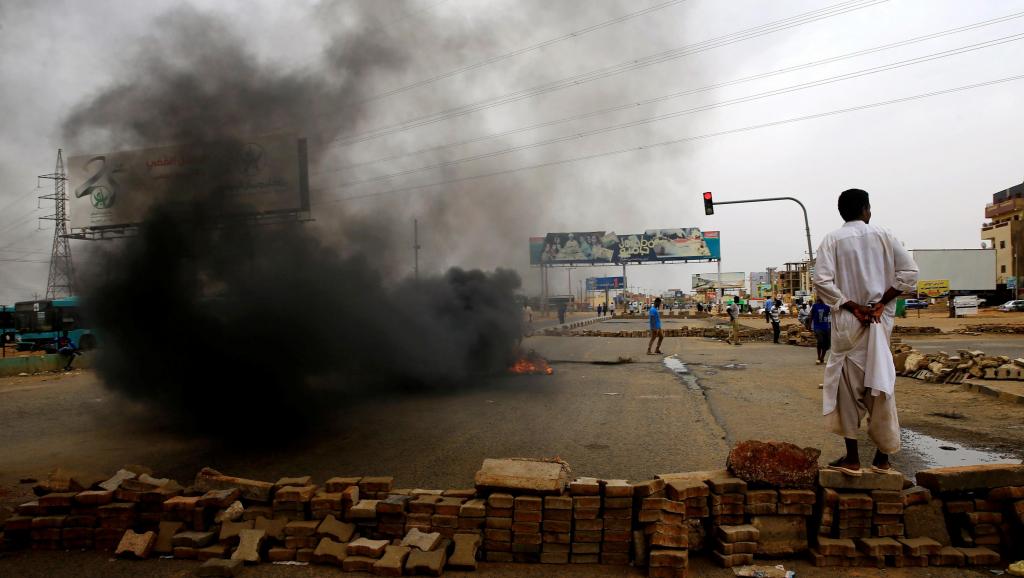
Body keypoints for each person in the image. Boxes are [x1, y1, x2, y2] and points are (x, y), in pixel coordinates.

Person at [813, 188, 918, 476]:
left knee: (847, 389)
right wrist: (881, 303)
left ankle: (853, 458)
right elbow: (909, 274)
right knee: (881, 383)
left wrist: (852, 306)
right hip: (879, 322)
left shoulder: (831, 239)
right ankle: (883, 459)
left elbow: (821, 280)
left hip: (849, 324)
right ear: (866, 209)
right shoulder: (885, 234)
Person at [810, 297, 831, 365]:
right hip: (817, 327)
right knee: (820, 341)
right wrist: (809, 325)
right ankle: (818, 357)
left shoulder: (828, 306)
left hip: (826, 327)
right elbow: (811, 315)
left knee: (826, 344)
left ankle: (822, 358)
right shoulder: (815, 306)